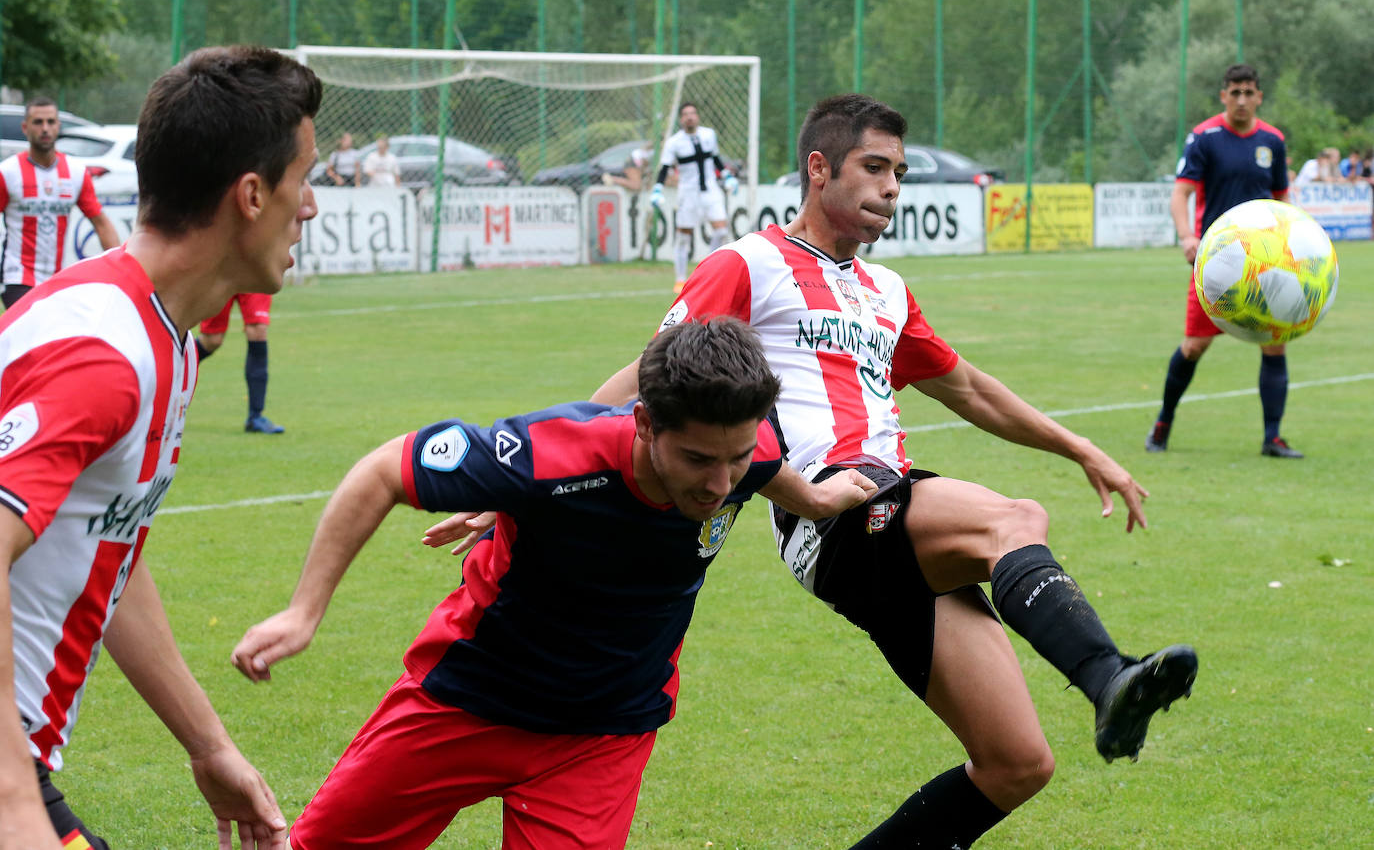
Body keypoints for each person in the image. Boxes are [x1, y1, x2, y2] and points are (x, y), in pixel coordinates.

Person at [592, 94, 1197, 849]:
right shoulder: (750, 263)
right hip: (834, 509)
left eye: (899, 173)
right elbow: (653, 369)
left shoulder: (886, 291)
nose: (891, 188)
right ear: (820, 169)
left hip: (890, 523)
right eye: (874, 168)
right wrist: (533, 467)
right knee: (1015, 519)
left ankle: (1105, 686)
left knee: (1016, 763)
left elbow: (969, 389)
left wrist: (1079, 446)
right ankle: (1109, 679)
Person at [229, 317, 876, 850]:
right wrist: (303, 610)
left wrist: (823, 500)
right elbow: (382, 472)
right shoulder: (549, 456)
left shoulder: (746, 445)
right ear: (645, 422)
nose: (719, 483)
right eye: (699, 460)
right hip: (465, 701)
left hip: (603, 734)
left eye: (734, 459)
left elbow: (768, 469)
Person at [0, 45, 319, 849]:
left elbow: (107, 538)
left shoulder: (161, 337)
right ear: (251, 195)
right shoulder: (105, 353)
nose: (310, 206)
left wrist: (208, 744)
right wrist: (12, 808)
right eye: (302, 179)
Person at [1149, 63, 1300, 458]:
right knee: (1195, 345)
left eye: (1249, 92)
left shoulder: (1273, 140)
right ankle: (1162, 424)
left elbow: (1282, 199)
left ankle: (1273, 438)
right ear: (1223, 96)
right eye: (1235, 92)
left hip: (1267, 264)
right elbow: (1180, 193)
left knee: (1274, 344)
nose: (1242, 100)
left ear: (1259, 97)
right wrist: (1187, 236)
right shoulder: (1204, 137)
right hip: (1216, 264)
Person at [0, 97, 121, 308]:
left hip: (56, 279)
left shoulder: (75, 173)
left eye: (50, 122)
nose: (45, 128)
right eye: (38, 122)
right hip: (17, 277)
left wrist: (122, 269)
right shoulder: (8, 172)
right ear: (25, 127)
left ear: (58, 126)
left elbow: (100, 223)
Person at [649, 102, 738, 293]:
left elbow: (715, 159)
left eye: (693, 113)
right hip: (688, 193)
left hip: (711, 190)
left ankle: (707, 269)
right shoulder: (674, 142)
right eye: (686, 114)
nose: (690, 117)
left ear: (697, 116)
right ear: (681, 119)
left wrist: (727, 176)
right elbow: (664, 168)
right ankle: (680, 279)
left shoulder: (708, 135)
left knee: (722, 231)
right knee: (683, 237)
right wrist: (657, 189)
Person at [196, 294, 285, 434]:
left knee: (258, 330)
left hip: (254, 274)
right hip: (222, 274)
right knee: (212, 340)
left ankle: (255, 417)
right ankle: (168, 374)